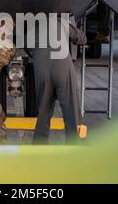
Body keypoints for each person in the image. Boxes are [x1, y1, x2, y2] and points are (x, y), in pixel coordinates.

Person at [28, 14, 87, 143]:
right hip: (62, 67)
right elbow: (82, 39)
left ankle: (38, 149)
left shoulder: (31, 26)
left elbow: (27, 48)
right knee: (72, 112)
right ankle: (76, 148)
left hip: (42, 68)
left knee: (43, 112)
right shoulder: (61, 22)